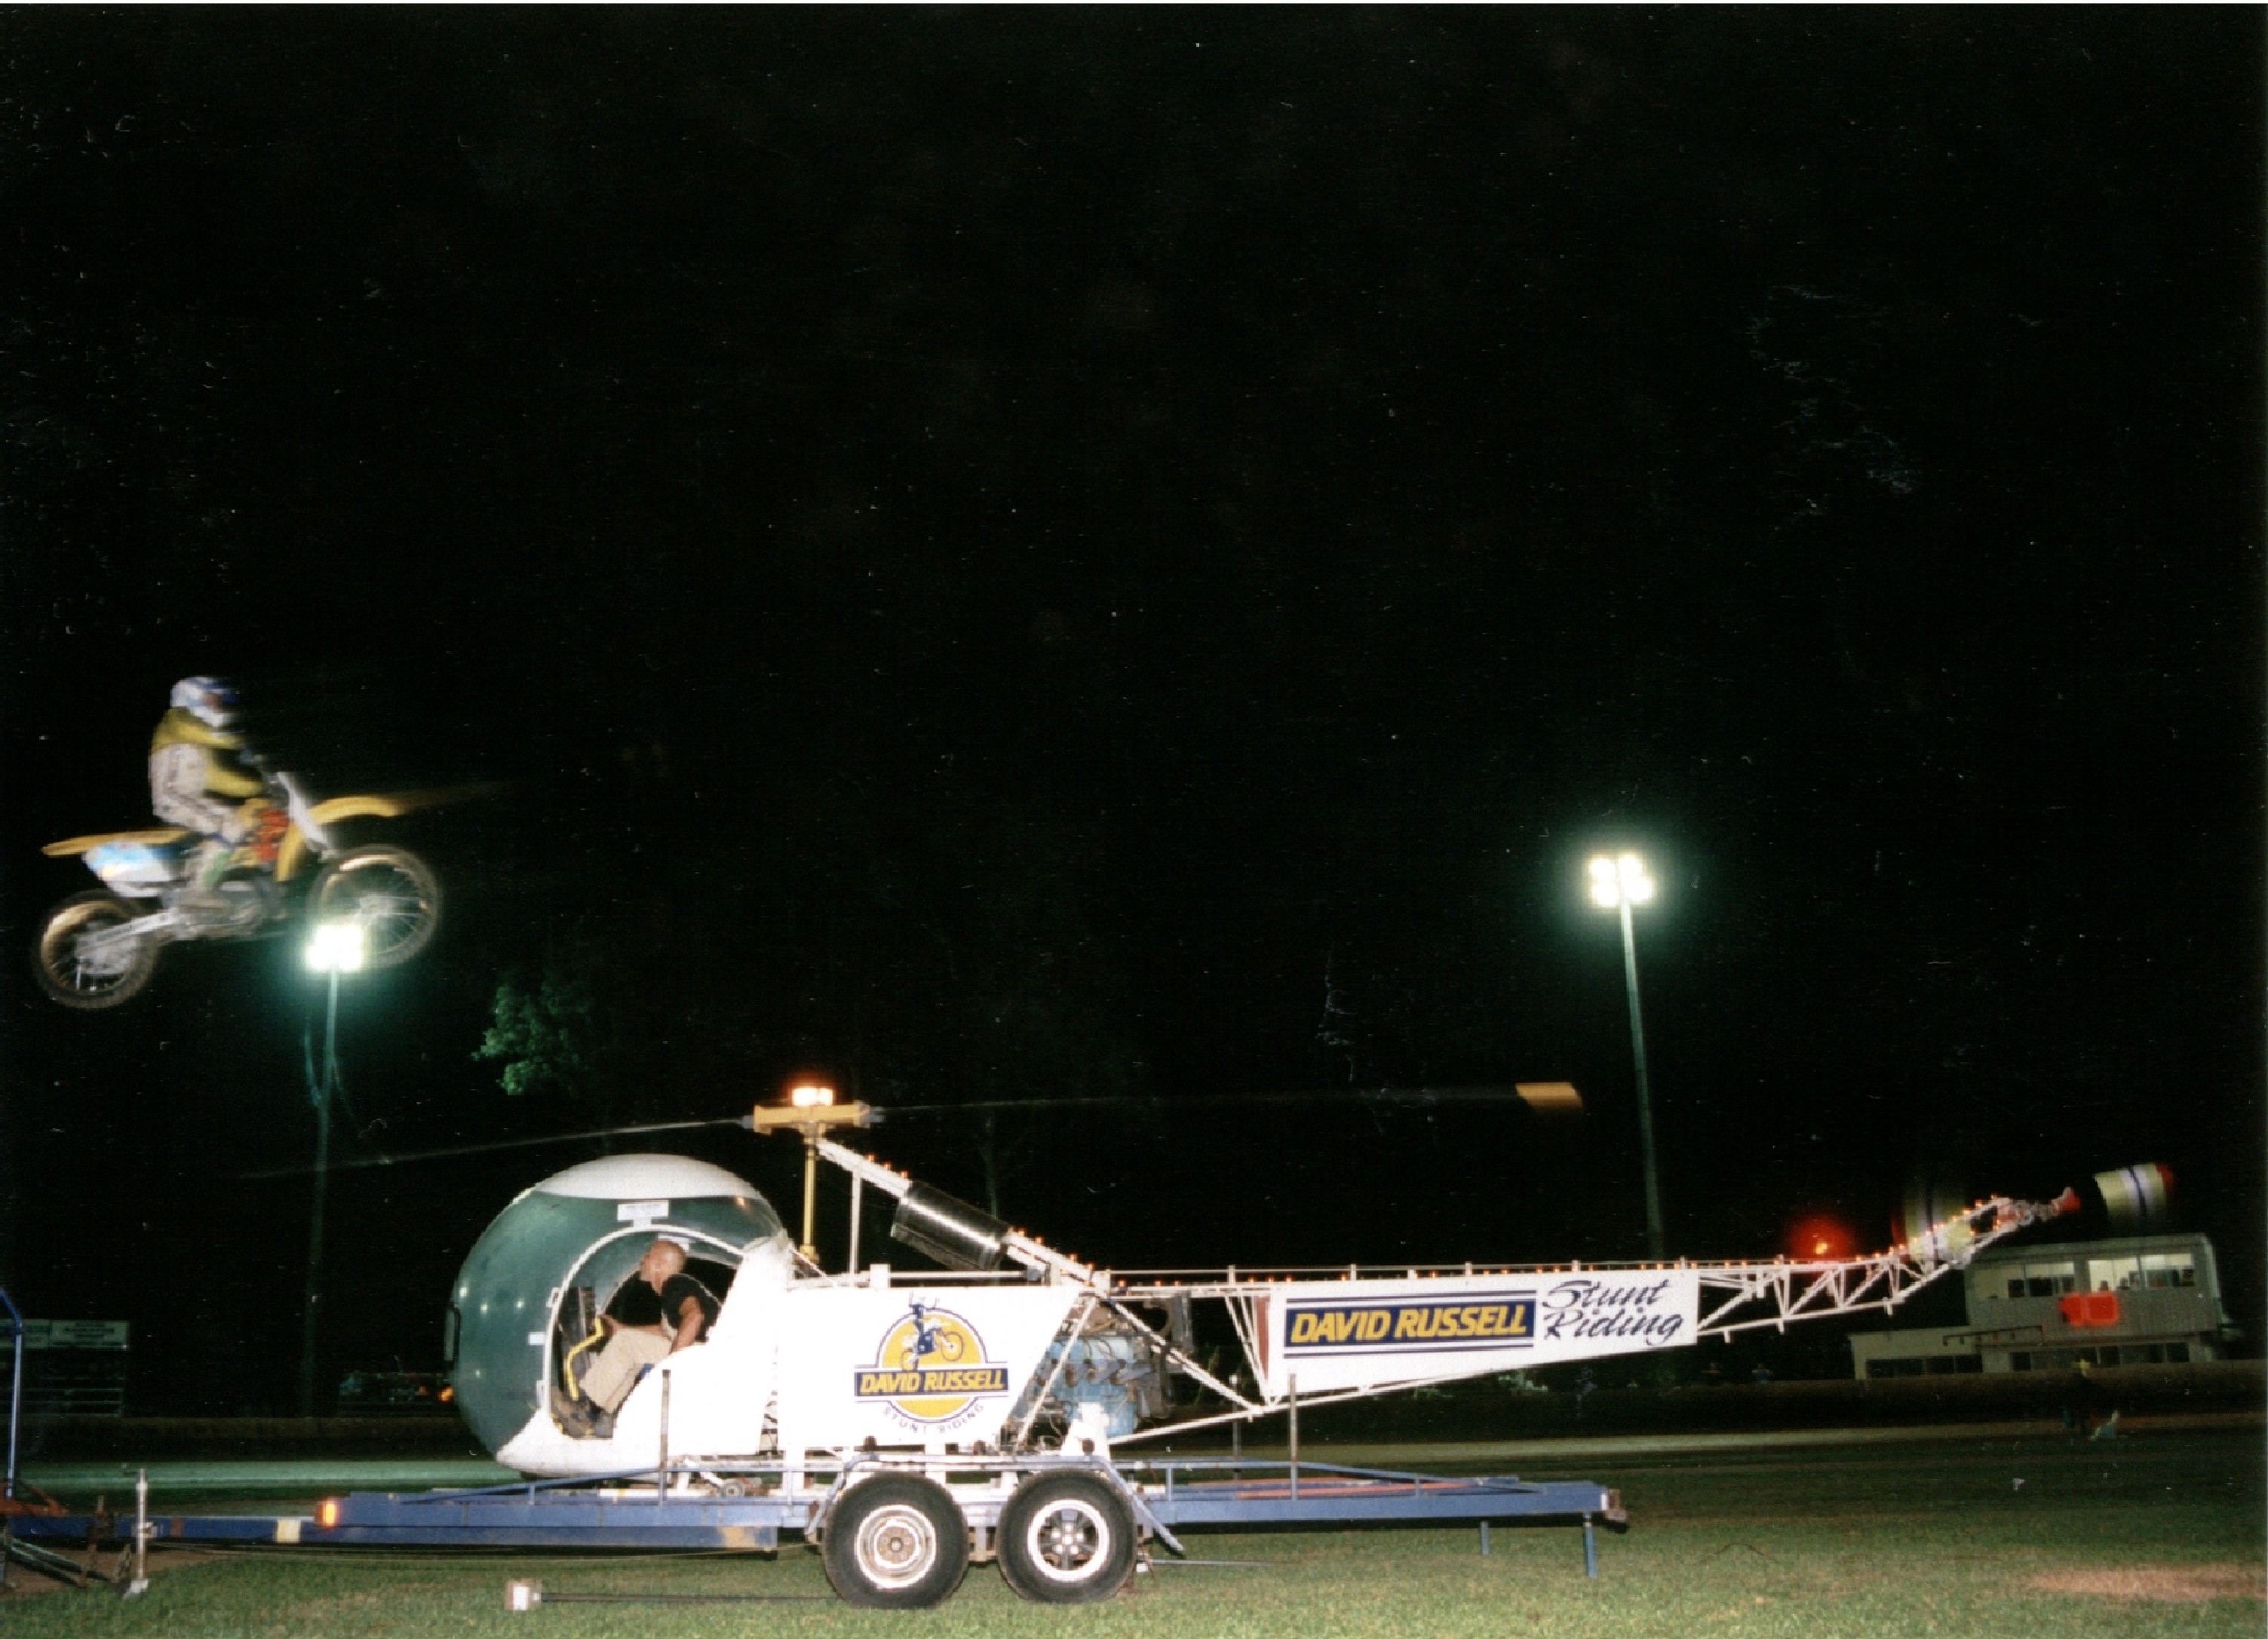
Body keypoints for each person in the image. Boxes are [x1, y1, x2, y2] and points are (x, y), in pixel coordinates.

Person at [567, 1238, 720, 1435]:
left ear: (659, 1264)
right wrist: (622, 1328)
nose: (642, 1260)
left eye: (647, 1256)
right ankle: (604, 1418)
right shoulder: (679, 1291)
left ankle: (584, 1409)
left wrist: (672, 1364)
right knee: (631, 1349)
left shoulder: (675, 1283)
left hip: (705, 1357)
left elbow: (694, 1316)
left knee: (627, 1344)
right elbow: (665, 1331)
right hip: (707, 1355)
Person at [149, 677, 268, 906]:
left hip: (189, 799)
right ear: (191, 696)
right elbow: (201, 732)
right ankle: (198, 892)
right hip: (172, 799)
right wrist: (244, 738)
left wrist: (260, 788)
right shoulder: (175, 720)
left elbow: (219, 779)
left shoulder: (199, 748)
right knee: (226, 824)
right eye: (212, 699)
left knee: (246, 821)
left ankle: (212, 874)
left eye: (221, 701)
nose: (218, 705)